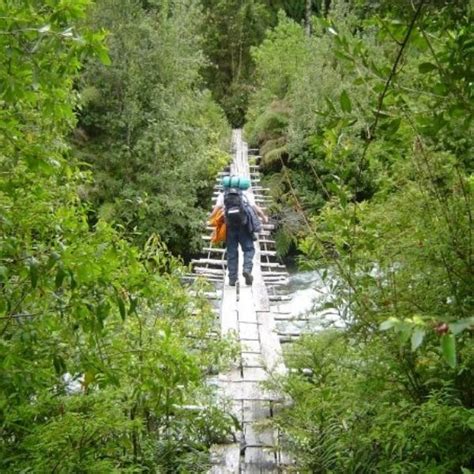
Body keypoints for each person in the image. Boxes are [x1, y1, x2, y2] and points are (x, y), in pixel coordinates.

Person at [211, 176, 268, 286]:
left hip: (230, 227)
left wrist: (209, 218)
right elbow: (255, 208)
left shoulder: (223, 195)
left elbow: (216, 209)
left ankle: (232, 279)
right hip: (244, 226)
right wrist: (264, 217)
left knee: (232, 252)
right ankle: (246, 269)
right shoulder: (246, 195)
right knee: (249, 250)